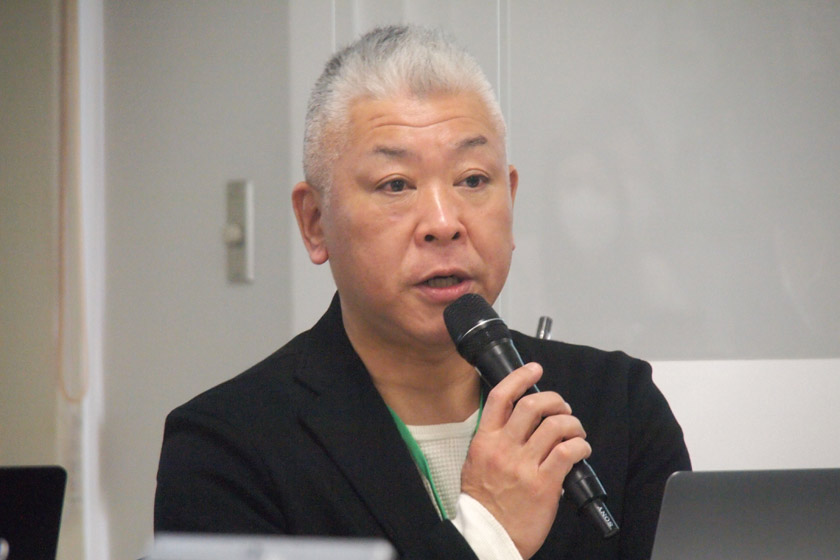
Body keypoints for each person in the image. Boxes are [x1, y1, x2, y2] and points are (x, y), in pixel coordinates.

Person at [154, 25, 690, 560]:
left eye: (473, 180)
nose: (443, 223)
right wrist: (488, 534)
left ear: (511, 198)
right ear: (315, 222)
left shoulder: (618, 407)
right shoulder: (226, 447)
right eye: (396, 185)